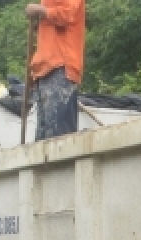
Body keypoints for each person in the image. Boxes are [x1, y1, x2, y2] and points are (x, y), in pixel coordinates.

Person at [25, 0, 85, 141]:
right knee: (43, 138)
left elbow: (68, 15)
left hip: (61, 68)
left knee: (58, 138)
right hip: (44, 69)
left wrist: (40, 10)